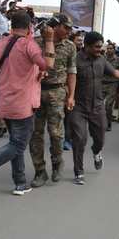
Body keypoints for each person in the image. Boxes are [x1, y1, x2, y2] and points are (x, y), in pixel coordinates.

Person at [0, 10, 56, 196]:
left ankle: (20, 183)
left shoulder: (1, 43)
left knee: (15, 142)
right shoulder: (28, 45)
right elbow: (47, 64)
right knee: (18, 145)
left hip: (4, 100)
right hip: (22, 103)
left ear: (12, 25)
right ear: (30, 26)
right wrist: (49, 40)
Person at [69, 31, 119, 185]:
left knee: (100, 138)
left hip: (97, 106)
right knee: (80, 139)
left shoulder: (101, 60)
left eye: (101, 46)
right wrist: (69, 97)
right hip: (78, 106)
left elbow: (115, 72)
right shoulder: (75, 60)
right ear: (86, 46)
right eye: (97, 47)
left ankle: (96, 152)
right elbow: (68, 78)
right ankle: (79, 172)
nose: (100, 49)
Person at [29, 14, 76, 187]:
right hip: (36, 91)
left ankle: (57, 163)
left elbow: (72, 72)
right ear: (56, 26)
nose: (69, 31)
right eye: (67, 27)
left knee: (56, 134)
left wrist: (71, 96)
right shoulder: (35, 42)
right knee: (35, 134)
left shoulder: (70, 46)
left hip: (57, 92)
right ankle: (39, 171)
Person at [102, 43, 119, 131]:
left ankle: (108, 124)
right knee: (98, 105)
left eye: (111, 48)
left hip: (112, 84)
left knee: (108, 105)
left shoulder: (118, 60)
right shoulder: (102, 58)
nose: (109, 50)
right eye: (108, 48)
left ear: (114, 50)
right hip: (102, 83)